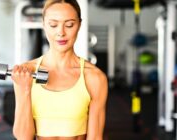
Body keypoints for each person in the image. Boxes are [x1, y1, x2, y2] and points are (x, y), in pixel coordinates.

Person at [11, 0, 108, 140]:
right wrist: (24, 89)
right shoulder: (26, 73)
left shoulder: (94, 78)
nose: (61, 32)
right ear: (44, 24)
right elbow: (23, 137)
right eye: (53, 25)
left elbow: (95, 138)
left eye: (69, 25)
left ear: (79, 25)